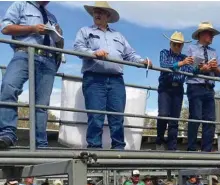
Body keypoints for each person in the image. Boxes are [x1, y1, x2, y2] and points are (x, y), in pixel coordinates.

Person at [74, 1, 151, 150]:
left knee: (117, 117)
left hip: (116, 80)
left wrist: (143, 61)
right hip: (94, 78)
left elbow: (130, 54)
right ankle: (94, 150)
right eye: (95, 11)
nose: (97, 14)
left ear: (108, 16)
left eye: (101, 11)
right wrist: (93, 53)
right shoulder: (85, 31)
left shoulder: (118, 36)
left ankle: (118, 150)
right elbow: (78, 48)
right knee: (96, 117)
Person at [0, 1, 62, 149]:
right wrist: (32, 28)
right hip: (24, 53)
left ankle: (40, 143)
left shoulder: (52, 16)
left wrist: (59, 37)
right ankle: (7, 134)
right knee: (9, 87)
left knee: (42, 104)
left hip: (49, 60)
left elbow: (59, 43)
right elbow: (5, 28)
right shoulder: (20, 5)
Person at [186, 21, 220, 152]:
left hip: (209, 88)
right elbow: (187, 68)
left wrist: (215, 68)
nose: (212, 36)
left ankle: (206, 150)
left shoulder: (214, 52)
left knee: (210, 120)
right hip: (195, 86)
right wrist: (202, 69)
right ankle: (191, 149)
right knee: (195, 117)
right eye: (210, 33)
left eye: (212, 34)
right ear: (201, 35)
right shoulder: (191, 49)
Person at [156, 31, 193, 151]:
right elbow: (164, 64)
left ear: (182, 46)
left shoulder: (185, 58)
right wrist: (181, 63)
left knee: (174, 119)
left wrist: (199, 68)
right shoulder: (164, 53)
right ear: (170, 43)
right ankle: (160, 140)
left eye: (179, 45)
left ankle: (172, 147)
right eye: (175, 44)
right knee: (163, 115)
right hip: (165, 87)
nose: (177, 47)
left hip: (178, 89)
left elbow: (190, 71)